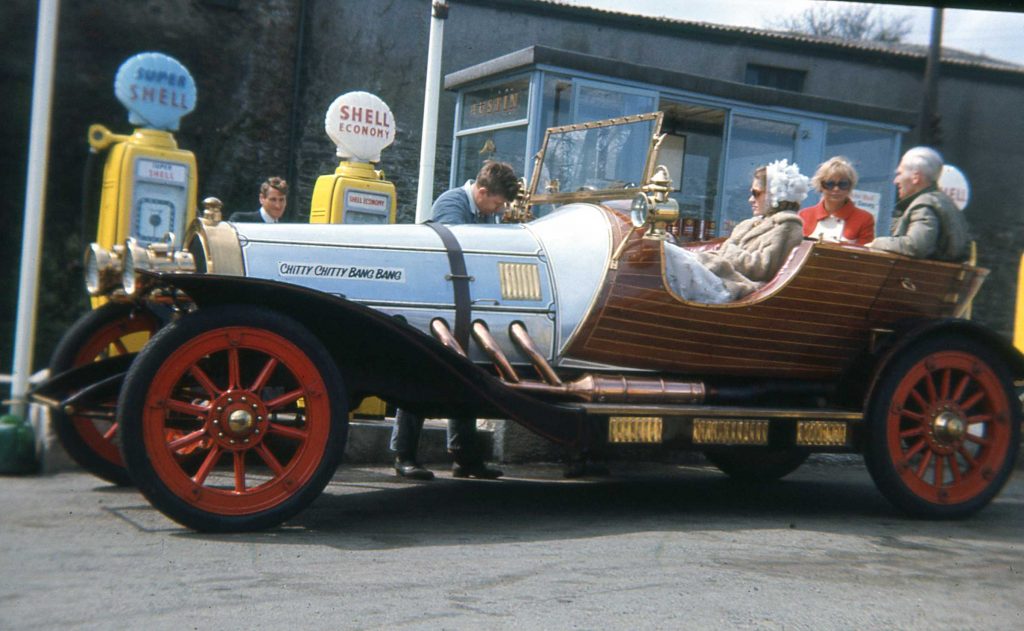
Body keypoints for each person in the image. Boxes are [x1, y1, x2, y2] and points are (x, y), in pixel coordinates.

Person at [391, 160, 520, 481]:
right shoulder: (451, 203)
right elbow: (463, 248)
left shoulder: (483, 212)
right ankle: (403, 455)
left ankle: (465, 457)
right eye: (497, 203)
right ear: (482, 191)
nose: (498, 210)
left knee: (466, 378)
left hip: (463, 305)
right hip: (438, 303)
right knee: (419, 379)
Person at [664, 159, 807, 303]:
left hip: (734, 286)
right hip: (717, 276)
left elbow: (763, 268)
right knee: (664, 250)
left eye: (755, 193)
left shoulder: (787, 227)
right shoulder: (748, 224)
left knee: (667, 252)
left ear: (775, 195)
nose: (750, 200)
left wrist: (730, 251)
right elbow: (722, 254)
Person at [868, 146, 969, 261]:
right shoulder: (946, 202)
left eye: (899, 174)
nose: (895, 180)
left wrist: (876, 242)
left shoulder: (924, 204)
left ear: (916, 177)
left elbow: (915, 246)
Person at [799, 157, 875, 245]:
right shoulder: (804, 216)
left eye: (843, 184)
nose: (836, 189)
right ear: (820, 186)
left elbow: (867, 255)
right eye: (829, 184)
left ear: (850, 187)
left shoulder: (864, 219)